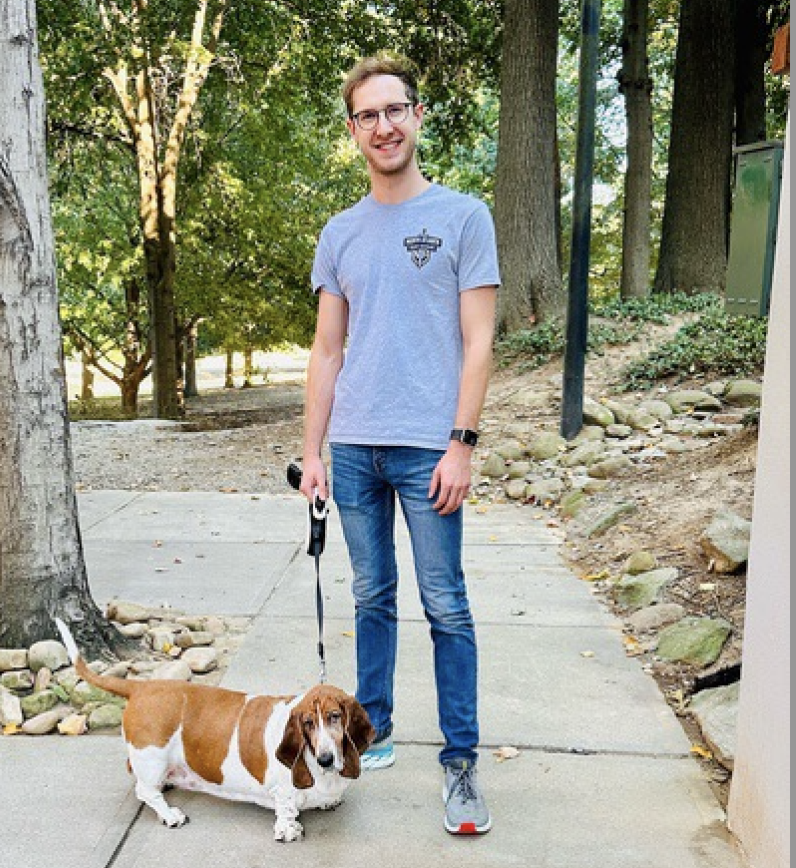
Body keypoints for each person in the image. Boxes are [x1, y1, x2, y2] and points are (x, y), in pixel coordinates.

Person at [298, 53, 499, 836]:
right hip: (352, 449)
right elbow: (325, 350)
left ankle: (460, 765)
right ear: (353, 131)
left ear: (417, 116)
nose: (383, 126)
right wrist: (313, 453)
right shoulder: (340, 232)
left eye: (395, 110)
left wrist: (461, 443)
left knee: (445, 604)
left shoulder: (462, 217)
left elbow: (479, 341)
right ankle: (368, 731)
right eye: (367, 115)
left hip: (427, 449)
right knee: (370, 597)